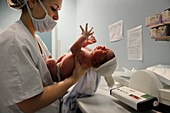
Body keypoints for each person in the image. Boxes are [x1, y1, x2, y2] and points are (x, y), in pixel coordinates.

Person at [0, 0, 95, 113]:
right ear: (32, 2)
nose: (57, 17)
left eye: (58, 10)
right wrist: (73, 79)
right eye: (53, 8)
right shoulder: (14, 40)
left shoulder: (36, 39)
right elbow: (29, 104)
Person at [46, 32, 115, 82]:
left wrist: (83, 36)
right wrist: (86, 42)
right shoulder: (87, 54)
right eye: (106, 48)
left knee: (50, 62)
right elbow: (81, 48)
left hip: (57, 73)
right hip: (58, 67)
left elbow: (74, 49)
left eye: (105, 52)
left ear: (97, 64)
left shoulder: (86, 60)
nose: (103, 47)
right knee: (51, 61)